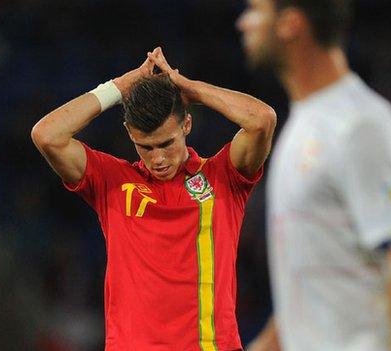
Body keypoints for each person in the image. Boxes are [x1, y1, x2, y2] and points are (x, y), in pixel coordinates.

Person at [30, 47, 276, 350]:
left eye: (166, 143)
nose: (157, 158)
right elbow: (46, 135)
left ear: (186, 125)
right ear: (129, 134)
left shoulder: (222, 177)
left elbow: (262, 120)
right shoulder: (112, 181)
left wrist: (191, 89)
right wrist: (118, 87)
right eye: (145, 147)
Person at [236, 1, 391, 350]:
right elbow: (306, 298)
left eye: (256, 10)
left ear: (290, 23)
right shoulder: (300, 128)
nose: (244, 23)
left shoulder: (360, 125)